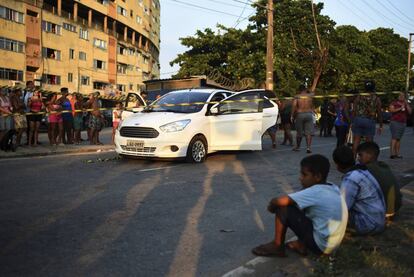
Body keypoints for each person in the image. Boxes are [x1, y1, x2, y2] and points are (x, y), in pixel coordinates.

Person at [252, 155, 347, 257]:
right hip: (333, 245)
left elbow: (278, 201)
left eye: (304, 175)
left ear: (317, 177)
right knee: (301, 207)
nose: (300, 178)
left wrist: (271, 207)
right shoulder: (332, 187)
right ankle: (301, 244)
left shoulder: (316, 191)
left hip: (321, 247)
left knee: (284, 208)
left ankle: (277, 245)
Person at [332, 146, 385, 235]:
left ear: (337, 165)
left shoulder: (351, 179)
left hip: (370, 224)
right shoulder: (361, 170)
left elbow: (342, 208)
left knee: (328, 213)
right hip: (379, 219)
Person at [356, 142, 402, 219]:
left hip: (382, 212)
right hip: (395, 208)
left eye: (360, 155)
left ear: (369, 155)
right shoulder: (384, 166)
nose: (358, 158)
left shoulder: (366, 170)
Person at [351, 80, 383, 156]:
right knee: (369, 144)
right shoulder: (376, 98)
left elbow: (354, 109)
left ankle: (352, 161)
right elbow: (379, 113)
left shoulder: (359, 96)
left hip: (358, 119)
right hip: (369, 120)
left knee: (356, 141)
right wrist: (381, 125)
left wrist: (353, 121)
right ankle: (368, 161)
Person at [291, 85, 314, 153]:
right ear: (305, 89)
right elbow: (312, 90)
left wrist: (292, 115)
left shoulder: (297, 96)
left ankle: (298, 147)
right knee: (308, 133)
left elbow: (294, 106)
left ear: (299, 89)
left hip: (300, 114)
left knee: (299, 133)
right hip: (309, 114)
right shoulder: (310, 95)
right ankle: (308, 148)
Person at [388, 92, 412, 158]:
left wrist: (406, 105)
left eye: (403, 96)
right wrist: (400, 108)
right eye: (400, 96)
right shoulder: (394, 103)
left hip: (403, 123)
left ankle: (397, 154)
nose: (401, 97)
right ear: (398, 97)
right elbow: (391, 110)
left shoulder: (406, 103)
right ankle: (392, 154)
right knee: (394, 137)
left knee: (398, 139)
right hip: (395, 122)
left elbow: (410, 112)